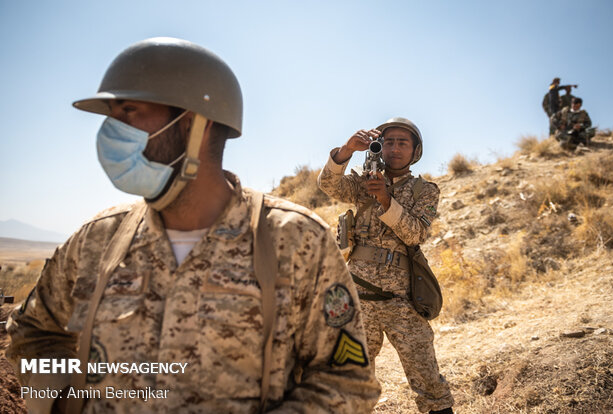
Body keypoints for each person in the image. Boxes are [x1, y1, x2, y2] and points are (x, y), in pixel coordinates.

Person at [7, 37, 380, 413]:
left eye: (130, 110)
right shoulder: (96, 239)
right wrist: (61, 405)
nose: (111, 129)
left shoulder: (296, 239)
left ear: (193, 123)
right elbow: (33, 332)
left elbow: (348, 382)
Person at [317, 117, 454, 414]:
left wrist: (385, 199)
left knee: (429, 383)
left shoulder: (425, 191)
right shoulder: (361, 183)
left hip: (403, 303)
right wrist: (347, 150)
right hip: (358, 300)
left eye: (402, 143)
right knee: (350, 382)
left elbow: (415, 233)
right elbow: (327, 184)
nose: (394, 148)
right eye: (388, 142)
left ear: (415, 150)